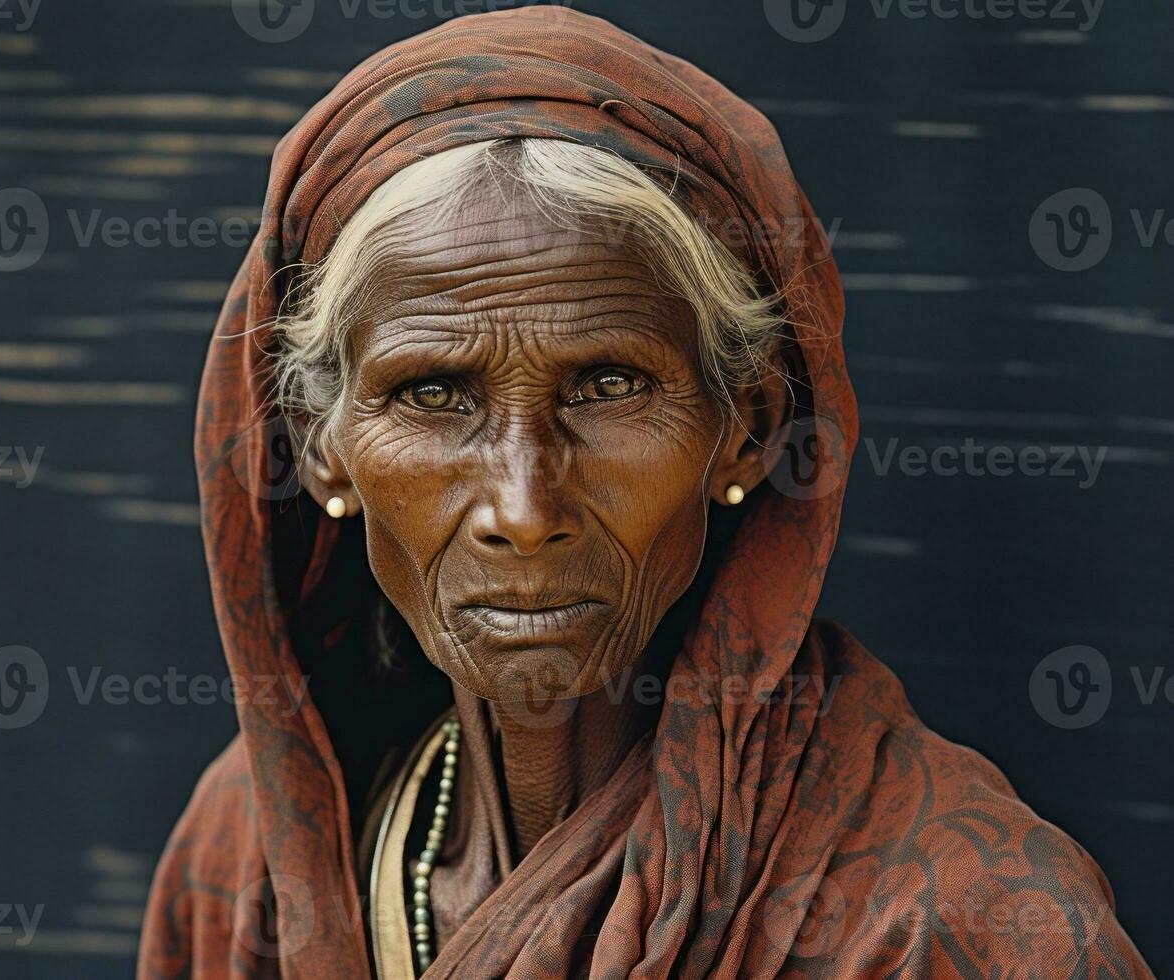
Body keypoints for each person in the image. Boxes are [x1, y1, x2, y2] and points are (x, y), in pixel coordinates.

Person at [137, 8, 1152, 978]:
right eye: (433, 393)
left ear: (743, 428)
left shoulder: (952, 925)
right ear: (321, 445)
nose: (524, 510)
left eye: (609, 384)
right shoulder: (254, 862)